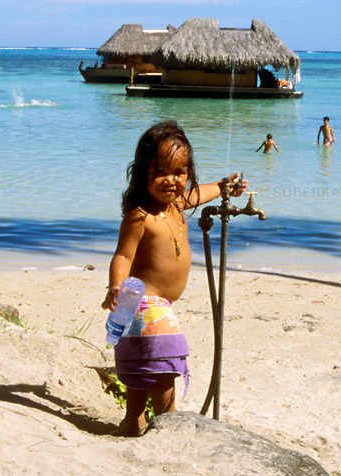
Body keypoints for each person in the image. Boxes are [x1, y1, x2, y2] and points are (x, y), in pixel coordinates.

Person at [103, 120, 247, 436]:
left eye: (180, 172)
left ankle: (133, 422)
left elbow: (199, 193)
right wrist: (115, 285)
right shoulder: (141, 215)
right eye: (162, 172)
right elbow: (123, 256)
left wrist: (224, 186)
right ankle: (166, 425)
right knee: (164, 367)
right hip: (142, 303)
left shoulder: (177, 203)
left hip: (142, 304)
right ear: (143, 174)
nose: (172, 180)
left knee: (141, 372)